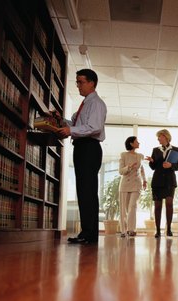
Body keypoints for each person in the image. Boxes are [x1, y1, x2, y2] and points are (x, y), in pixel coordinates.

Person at [56, 68, 107, 244]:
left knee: (88, 191)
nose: (78, 85)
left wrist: (70, 130)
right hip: (82, 147)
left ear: (92, 83)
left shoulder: (96, 103)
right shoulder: (85, 104)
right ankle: (87, 233)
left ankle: (89, 234)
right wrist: (62, 121)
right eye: (77, 82)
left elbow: (94, 127)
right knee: (83, 190)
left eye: (81, 82)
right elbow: (77, 124)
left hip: (89, 148)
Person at [145, 129, 178, 238]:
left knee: (169, 204)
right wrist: (152, 162)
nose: (158, 139)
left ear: (166, 137)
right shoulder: (155, 150)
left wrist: (171, 165)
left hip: (170, 181)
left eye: (159, 137)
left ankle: (169, 229)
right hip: (157, 181)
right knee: (157, 206)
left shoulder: (176, 150)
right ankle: (157, 231)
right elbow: (153, 167)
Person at [119, 136, 147, 237]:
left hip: (136, 184)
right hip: (125, 184)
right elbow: (121, 171)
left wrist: (145, 180)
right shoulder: (124, 155)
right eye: (137, 141)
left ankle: (131, 229)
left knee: (132, 207)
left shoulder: (140, 156)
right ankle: (123, 230)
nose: (139, 143)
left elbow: (142, 169)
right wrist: (129, 167)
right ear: (131, 143)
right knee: (124, 209)